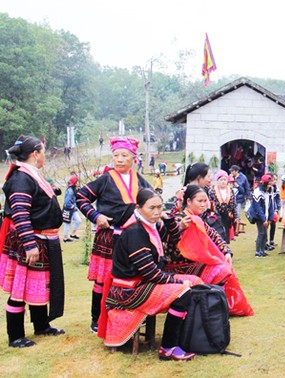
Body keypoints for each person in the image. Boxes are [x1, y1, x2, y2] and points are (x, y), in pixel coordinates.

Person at [99, 188, 202, 360]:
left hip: (143, 283)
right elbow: (151, 273)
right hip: (128, 291)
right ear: (138, 208)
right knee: (183, 291)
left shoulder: (150, 226)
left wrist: (167, 218)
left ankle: (187, 337)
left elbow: (173, 238)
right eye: (151, 208)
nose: (156, 212)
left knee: (196, 281)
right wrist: (176, 281)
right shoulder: (135, 232)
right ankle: (168, 348)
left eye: (159, 208)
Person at [76, 136, 152, 333]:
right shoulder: (105, 179)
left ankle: (127, 315)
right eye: (116, 155)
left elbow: (152, 202)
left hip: (133, 237)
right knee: (103, 279)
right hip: (109, 237)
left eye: (124, 155)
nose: (119, 159)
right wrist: (95, 215)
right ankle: (96, 318)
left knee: (130, 277)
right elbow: (81, 197)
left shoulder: (141, 181)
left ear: (134, 158)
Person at [1, 135, 65, 348]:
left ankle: (41, 326)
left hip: (44, 238)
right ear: (35, 154)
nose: (44, 155)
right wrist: (29, 244)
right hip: (30, 240)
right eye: (43, 151)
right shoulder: (21, 178)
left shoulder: (31, 175)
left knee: (39, 285)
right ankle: (15, 336)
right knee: (20, 289)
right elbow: (20, 214)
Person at [164, 185, 232, 283]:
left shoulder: (198, 220)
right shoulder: (178, 219)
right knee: (220, 270)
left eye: (205, 201)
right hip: (177, 266)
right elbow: (165, 238)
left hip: (194, 264)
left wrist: (226, 251)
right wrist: (180, 228)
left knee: (223, 268)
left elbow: (214, 235)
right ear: (188, 201)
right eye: (200, 201)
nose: (203, 205)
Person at [208, 170, 238, 244]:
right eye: (221, 180)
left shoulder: (231, 190)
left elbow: (234, 204)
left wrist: (236, 216)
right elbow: (209, 204)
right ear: (218, 180)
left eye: (225, 180)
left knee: (226, 234)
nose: (223, 182)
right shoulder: (212, 191)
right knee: (218, 234)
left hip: (227, 216)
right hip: (216, 216)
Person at [250, 174, 274, 258]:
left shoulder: (270, 191)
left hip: (267, 216)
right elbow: (258, 207)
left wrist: (270, 218)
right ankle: (258, 251)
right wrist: (263, 219)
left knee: (265, 233)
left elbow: (271, 205)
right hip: (259, 216)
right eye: (268, 184)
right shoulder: (257, 192)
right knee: (261, 233)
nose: (269, 186)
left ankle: (262, 250)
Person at [62, 175, 82, 242]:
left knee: (78, 221)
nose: (78, 183)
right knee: (67, 223)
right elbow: (67, 202)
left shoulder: (75, 189)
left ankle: (73, 234)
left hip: (73, 209)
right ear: (75, 183)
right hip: (68, 209)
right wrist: (73, 207)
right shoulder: (70, 191)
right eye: (77, 182)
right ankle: (65, 238)